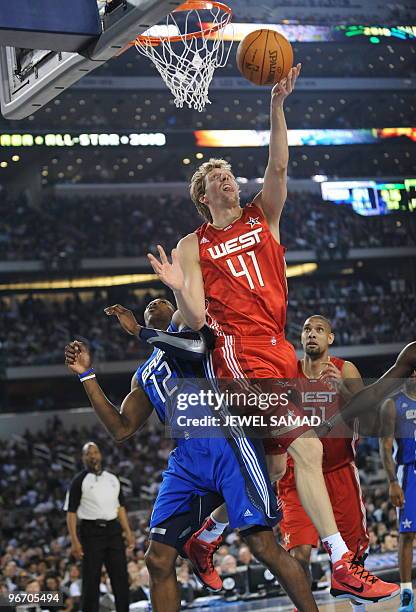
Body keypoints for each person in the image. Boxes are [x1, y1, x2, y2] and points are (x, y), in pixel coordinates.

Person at [147, 66, 398, 604]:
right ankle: (342, 561)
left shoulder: (263, 218)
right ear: (203, 195)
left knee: (278, 463)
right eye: (215, 177)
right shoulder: (194, 243)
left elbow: (279, 164)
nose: (226, 178)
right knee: (306, 449)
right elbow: (194, 320)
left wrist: (277, 106)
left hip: (277, 346)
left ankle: (205, 535)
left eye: (229, 173)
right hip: (238, 357)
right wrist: (176, 285)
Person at [65, 298, 319, 612]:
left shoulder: (189, 327)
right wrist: (86, 376)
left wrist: (140, 331)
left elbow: (198, 347)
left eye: (161, 300)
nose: (153, 303)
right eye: (148, 305)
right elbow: (122, 428)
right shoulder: (143, 375)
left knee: (262, 545)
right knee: (157, 559)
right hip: (187, 459)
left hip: (230, 443)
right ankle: (200, 546)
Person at [278, 315, 369, 612]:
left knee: (352, 555)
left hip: (338, 469)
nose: (312, 334)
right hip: (297, 474)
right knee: (298, 554)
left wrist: (343, 391)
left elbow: (368, 420)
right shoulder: (288, 372)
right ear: (301, 338)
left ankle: (359, 607)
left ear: (330, 338)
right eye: (307, 330)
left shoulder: (346, 370)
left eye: (319, 330)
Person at [63, 442, 134, 612]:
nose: (93, 456)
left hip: (114, 531)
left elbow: (121, 508)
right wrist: (74, 541)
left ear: (100, 455)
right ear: (83, 458)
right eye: (89, 453)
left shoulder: (112, 478)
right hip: (91, 532)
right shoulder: (78, 481)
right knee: (91, 579)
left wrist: (128, 532)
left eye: (95, 452)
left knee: (120, 578)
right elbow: (71, 513)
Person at [379, 373, 416, 612]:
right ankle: (406, 592)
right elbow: (385, 445)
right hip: (408, 470)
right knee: (407, 534)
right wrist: (392, 481)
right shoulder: (392, 404)